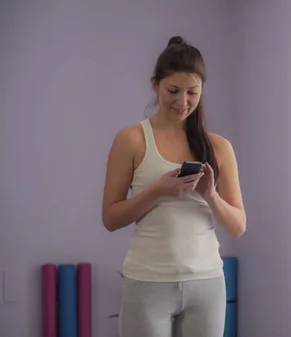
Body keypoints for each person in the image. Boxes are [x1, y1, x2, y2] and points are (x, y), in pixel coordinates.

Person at [101, 35, 246, 337]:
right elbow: (111, 218)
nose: (183, 102)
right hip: (148, 281)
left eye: (193, 92)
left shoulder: (218, 147)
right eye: (173, 91)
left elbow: (238, 226)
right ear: (155, 85)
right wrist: (158, 190)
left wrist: (210, 195)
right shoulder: (131, 140)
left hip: (207, 284)